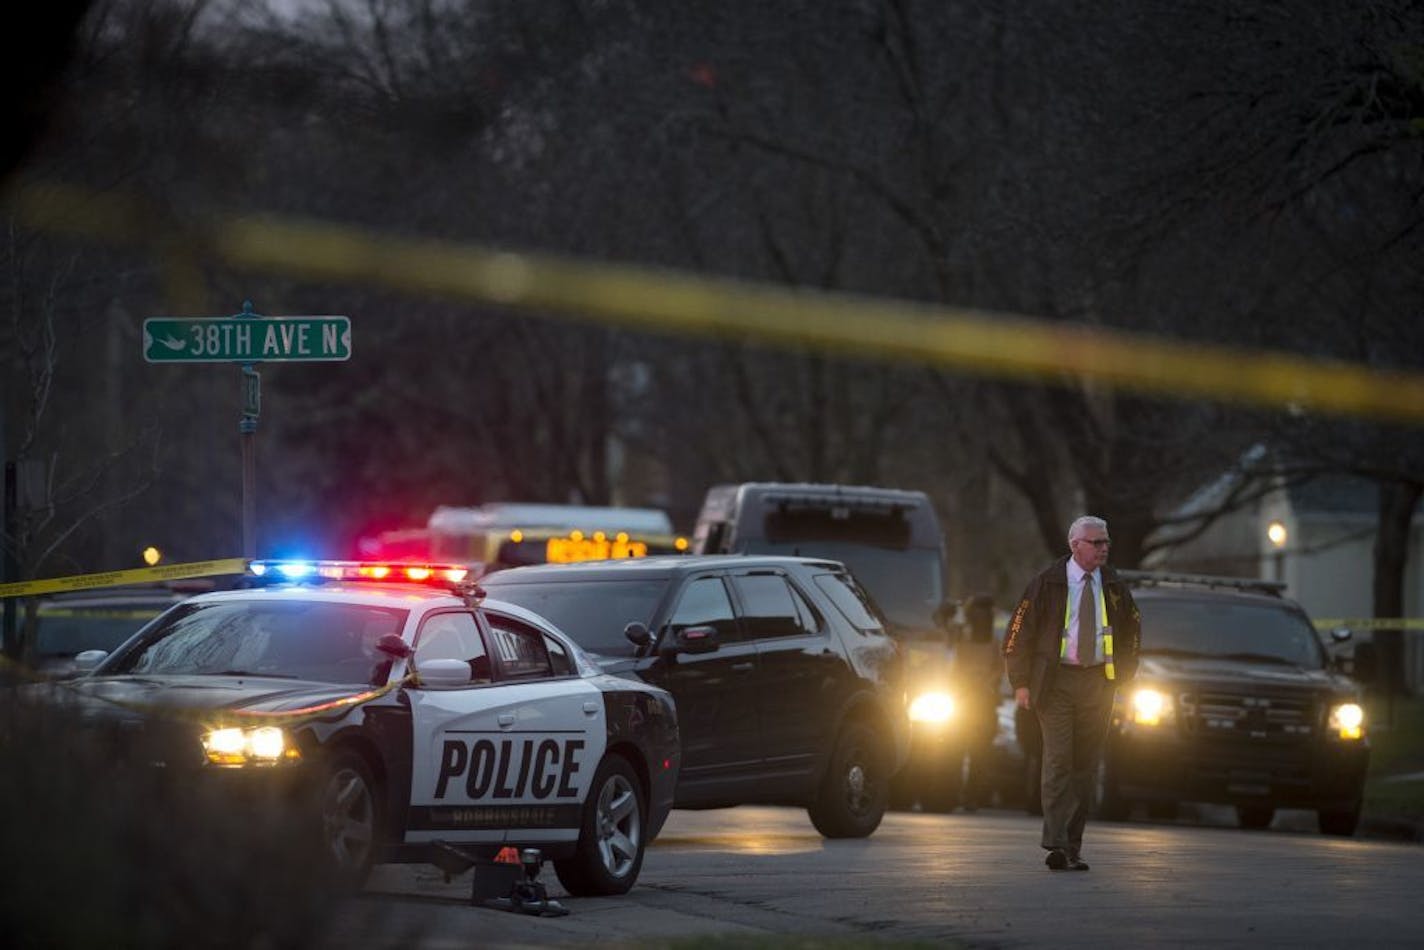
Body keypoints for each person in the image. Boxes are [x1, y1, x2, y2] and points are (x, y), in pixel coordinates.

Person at [1003, 515, 1140, 871]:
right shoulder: (1046, 584)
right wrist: (1020, 683)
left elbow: (1132, 633)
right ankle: (1057, 842)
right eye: (1097, 543)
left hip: (1099, 683)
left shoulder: (1114, 586)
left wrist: (1123, 676)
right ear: (1075, 545)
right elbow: (1017, 635)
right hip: (1056, 683)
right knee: (1059, 760)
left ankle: (1072, 847)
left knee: (1085, 766)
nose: (1104, 548)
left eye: (1106, 542)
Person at [951, 593, 1001, 811]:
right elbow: (956, 668)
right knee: (957, 750)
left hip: (983, 704)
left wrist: (986, 683)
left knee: (980, 753)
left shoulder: (993, 643)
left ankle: (974, 795)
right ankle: (958, 793)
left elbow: (999, 669)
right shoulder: (962, 640)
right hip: (964, 703)